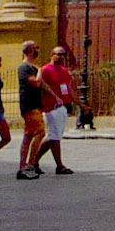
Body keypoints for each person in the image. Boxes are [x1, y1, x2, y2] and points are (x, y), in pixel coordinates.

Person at [38, 44, 78, 175]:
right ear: (52, 55)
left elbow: (68, 88)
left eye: (63, 54)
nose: (61, 57)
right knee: (53, 137)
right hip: (51, 107)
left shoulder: (64, 70)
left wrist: (79, 103)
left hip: (63, 107)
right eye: (59, 54)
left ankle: (35, 162)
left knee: (56, 137)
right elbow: (41, 87)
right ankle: (57, 165)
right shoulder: (45, 70)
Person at [13, 40, 47, 179]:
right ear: (29, 51)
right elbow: (37, 83)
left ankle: (22, 166)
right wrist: (41, 70)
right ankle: (30, 164)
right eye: (35, 48)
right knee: (40, 133)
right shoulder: (24, 68)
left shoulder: (32, 67)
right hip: (29, 106)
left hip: (35, 106)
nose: (37, 50)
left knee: (28, 136)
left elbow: (44, 86)